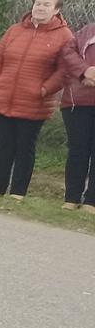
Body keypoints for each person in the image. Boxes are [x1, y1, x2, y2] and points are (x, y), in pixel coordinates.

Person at [0, 0, 76, 201]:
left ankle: (18, 192)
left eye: (46, 5)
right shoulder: (15, 30)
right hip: (4, 96)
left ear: (56, 10)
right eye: (38, 3)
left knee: (25, 146)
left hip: (34, 101)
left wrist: (44, 90)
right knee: (4, 145)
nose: (40, 8)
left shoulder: (64, 36)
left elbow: (64, 70)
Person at [64, 17, 95, 213]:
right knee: (78, 150)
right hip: (79, 101)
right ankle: (71, 198)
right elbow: (67, 53)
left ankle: (91, 201)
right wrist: (85, 71)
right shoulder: (87, 31)